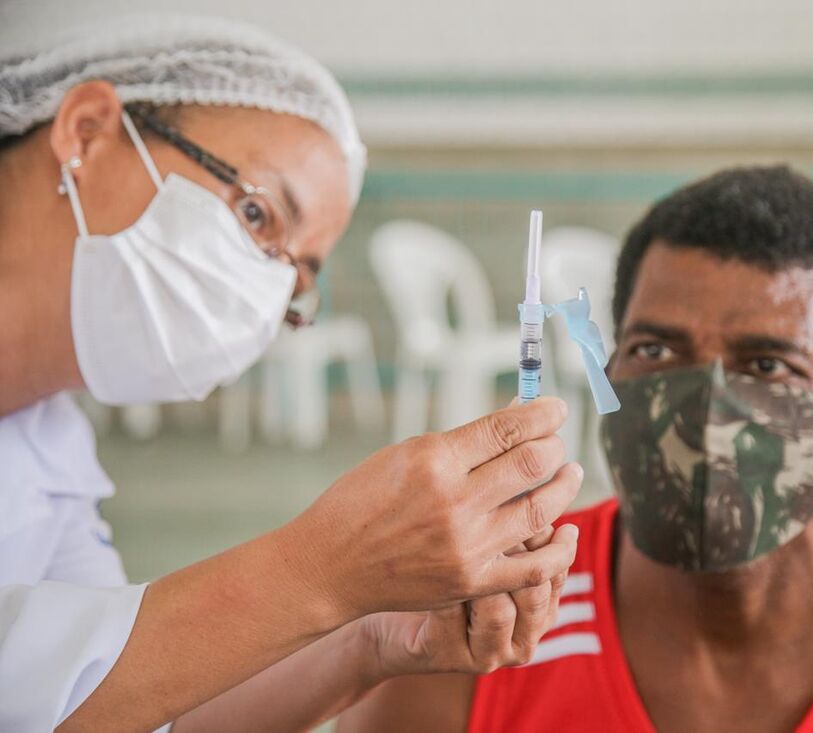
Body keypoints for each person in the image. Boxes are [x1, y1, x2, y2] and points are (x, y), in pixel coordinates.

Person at [341, 166, 813, 732]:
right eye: (655, 350)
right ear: (608, 385)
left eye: (768, 365)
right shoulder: (468, 652)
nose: (702, 407)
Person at [0, 15, 582, 732]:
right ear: (86, 131)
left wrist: (373, 638)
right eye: (257, 214)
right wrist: (328, 565)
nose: (262, 295)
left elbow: (110, 700)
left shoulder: (46, 450)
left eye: (295, 283)